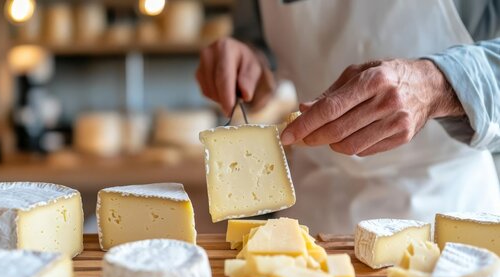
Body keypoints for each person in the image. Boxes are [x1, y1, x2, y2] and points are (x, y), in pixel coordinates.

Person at [196, 0, 500, 234]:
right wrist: (250, 59)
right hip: (313, 211)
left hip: (445, 212)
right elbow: (260, 39)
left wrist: (439, 84)